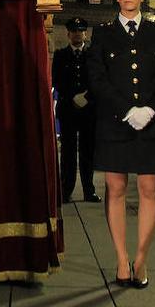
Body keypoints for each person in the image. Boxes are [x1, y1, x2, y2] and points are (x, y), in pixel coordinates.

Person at [87, 0, 155, 289]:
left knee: (150, 188)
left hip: (151, 123)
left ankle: (142, 256)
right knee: (116, 188)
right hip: (116, 123)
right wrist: (128, 110)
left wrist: (150, 109)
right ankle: (122, 259)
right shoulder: (102, 33)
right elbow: (97, 80)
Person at [52, 16, 99, 202]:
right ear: (68, 34)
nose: (77, 34)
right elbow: (56, 79)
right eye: (74, 31)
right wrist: (73, 96)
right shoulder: (61, 55)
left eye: (80, 31)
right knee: (68, 152)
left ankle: (89, 190)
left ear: (85, 34)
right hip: (68, 109)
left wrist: (86, 97)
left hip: (88, 110)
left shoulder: (93, 56)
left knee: (88, 151)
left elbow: (98, 80)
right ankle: (66, 189)